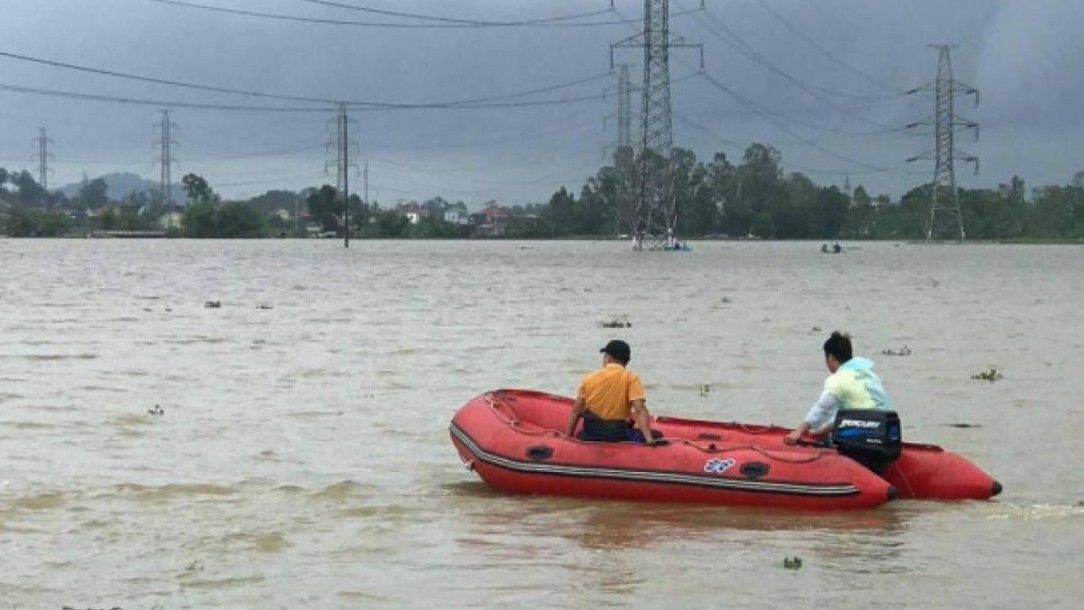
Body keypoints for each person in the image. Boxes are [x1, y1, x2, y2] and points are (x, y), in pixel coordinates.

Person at [784, 331, 891, 445]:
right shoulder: (870, 375)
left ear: (831, 358)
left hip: (861, 438)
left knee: (819, 442)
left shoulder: (837, 380)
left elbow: (822, 409)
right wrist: (821, 431)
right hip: (882, 433)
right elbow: (858, 415)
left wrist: (798, 431)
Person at [565, 339, 657, 445]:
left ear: (608, 358)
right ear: (626, 361)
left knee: (579, 434)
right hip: (617, 435)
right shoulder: (631, 378)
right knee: (657, 435)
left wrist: (567, 437)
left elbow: (576, 411)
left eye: (604, 356)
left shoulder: (589, 378)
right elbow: (640, 410)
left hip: (591, 434)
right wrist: (649, 440)